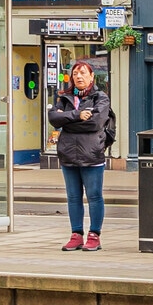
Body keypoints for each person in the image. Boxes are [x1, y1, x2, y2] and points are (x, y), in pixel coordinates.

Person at [50, 60, 112, 251]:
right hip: (68, 154)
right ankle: (76, 235)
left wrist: (66, 119)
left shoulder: (100, 98)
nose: (79, 77)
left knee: (94, 196)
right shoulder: (64, 98)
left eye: (83, 73)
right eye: (75, 73)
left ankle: (95, 235)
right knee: (73, 197)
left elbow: (95, 123)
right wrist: (78, 115)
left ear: (91, 76)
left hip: (91, 153)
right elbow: (53, 119)